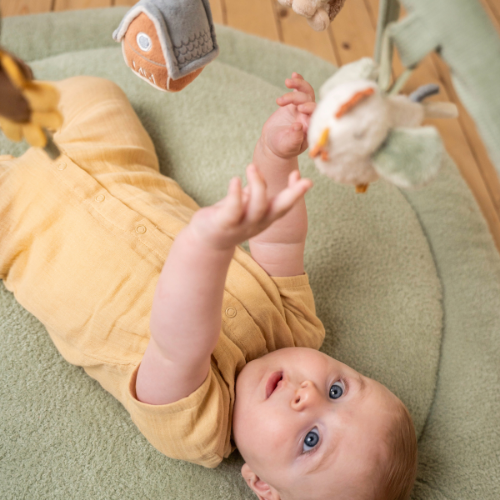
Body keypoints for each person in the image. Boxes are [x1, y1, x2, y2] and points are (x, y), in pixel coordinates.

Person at [0, 73, 417, 500]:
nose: (308, 396)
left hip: (23, 229)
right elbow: (280, 236)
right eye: (337, 390)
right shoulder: (298, 328)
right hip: (114, 164)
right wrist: (276, 153)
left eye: (310, 439)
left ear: (262, 483)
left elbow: (177, 342)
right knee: (99, 97)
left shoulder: (199, 429)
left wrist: (207, 245)